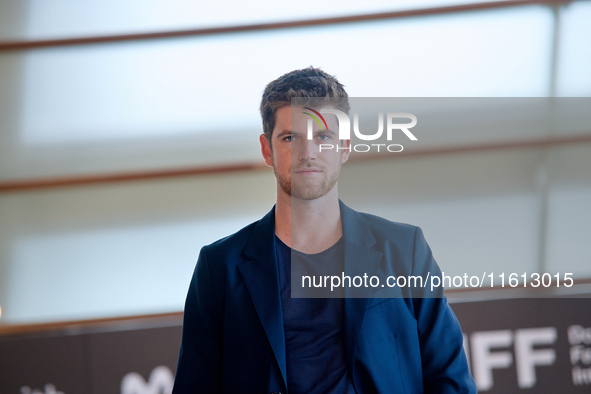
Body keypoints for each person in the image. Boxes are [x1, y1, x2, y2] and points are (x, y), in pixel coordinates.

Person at [172, 67, 477, 393]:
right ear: (267, 150)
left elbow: (451, 379)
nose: (309, 153)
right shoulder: (220, 266)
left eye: (324, 136)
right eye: (291, 138)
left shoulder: (404, 248)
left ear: (345, 146)